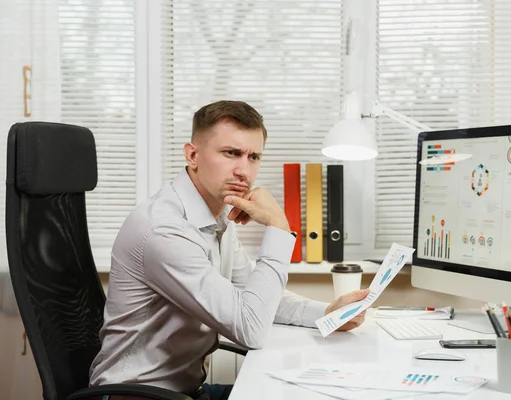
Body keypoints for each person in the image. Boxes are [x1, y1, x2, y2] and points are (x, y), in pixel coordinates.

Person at [89, 100, 368, 400]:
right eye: (231, 153)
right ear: (193, 155)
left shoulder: (219, 216)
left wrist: (326, 314)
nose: (243, 170)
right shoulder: (164, 230)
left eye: (254, 157)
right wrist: (279, 227)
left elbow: (252, 295)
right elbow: (250, 328)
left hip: (186, 393)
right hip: (137, 397)